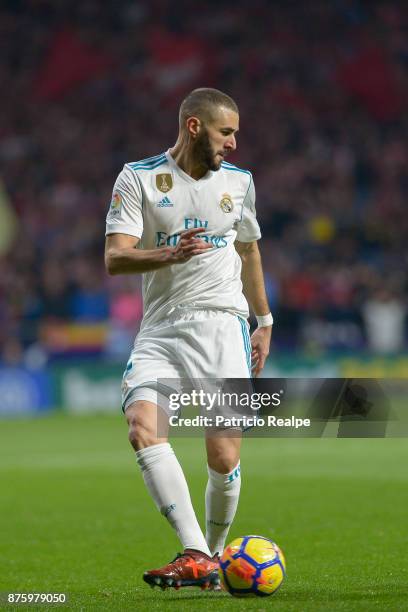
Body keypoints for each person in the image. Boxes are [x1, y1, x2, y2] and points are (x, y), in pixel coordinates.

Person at [104, 88, 273, 590]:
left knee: (223, 458)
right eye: (227, 132)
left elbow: (248, 252)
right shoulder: (138, 178)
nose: (235, 143)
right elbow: (115, 257)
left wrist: (263, 320)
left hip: (223, 324)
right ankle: (196, 551)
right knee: (142, 426)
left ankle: (214, 560)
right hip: (160, 329)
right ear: (195, 126)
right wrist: (168, 255)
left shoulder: (240, 183)